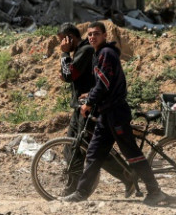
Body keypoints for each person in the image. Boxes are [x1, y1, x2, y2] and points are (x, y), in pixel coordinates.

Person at [60, 22, 167, 206]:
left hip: (116, 113)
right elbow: (100, 84)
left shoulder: (106, 54)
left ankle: (155, 191)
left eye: (96, 34)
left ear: (104, 36)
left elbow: (103, 85)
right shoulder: (99, 54)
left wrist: (89, 102)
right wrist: (89, 94)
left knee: (131, 153)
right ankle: (81, 193)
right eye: (90, 34)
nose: (92, 37)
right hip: (106, 114)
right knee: (93, 153)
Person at [57, 23, 138, 197]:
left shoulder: (85, 51)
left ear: (70, 38)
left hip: (90, 108)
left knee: (91, 148)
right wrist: (66, 62)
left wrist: (64, 53)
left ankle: (126, 175)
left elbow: (69, 75)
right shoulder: (80, 52)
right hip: (81, 107)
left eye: (62, 40)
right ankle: (75, 185)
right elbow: (66, 75)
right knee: (72, 147)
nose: (61, 44)